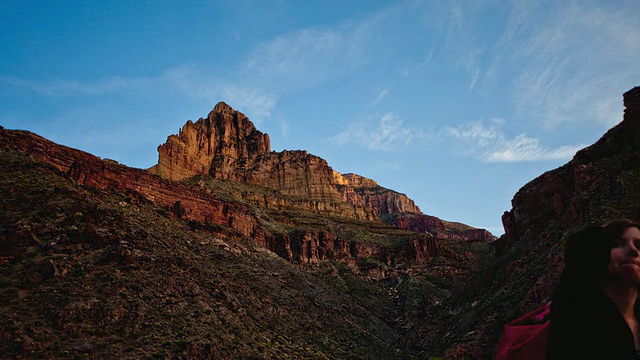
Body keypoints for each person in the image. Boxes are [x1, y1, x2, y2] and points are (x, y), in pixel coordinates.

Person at [547, 219, 640, 359]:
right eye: (617, 244)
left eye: (639, 246)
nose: (633, 251)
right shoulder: (578, 325)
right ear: (598, 253)